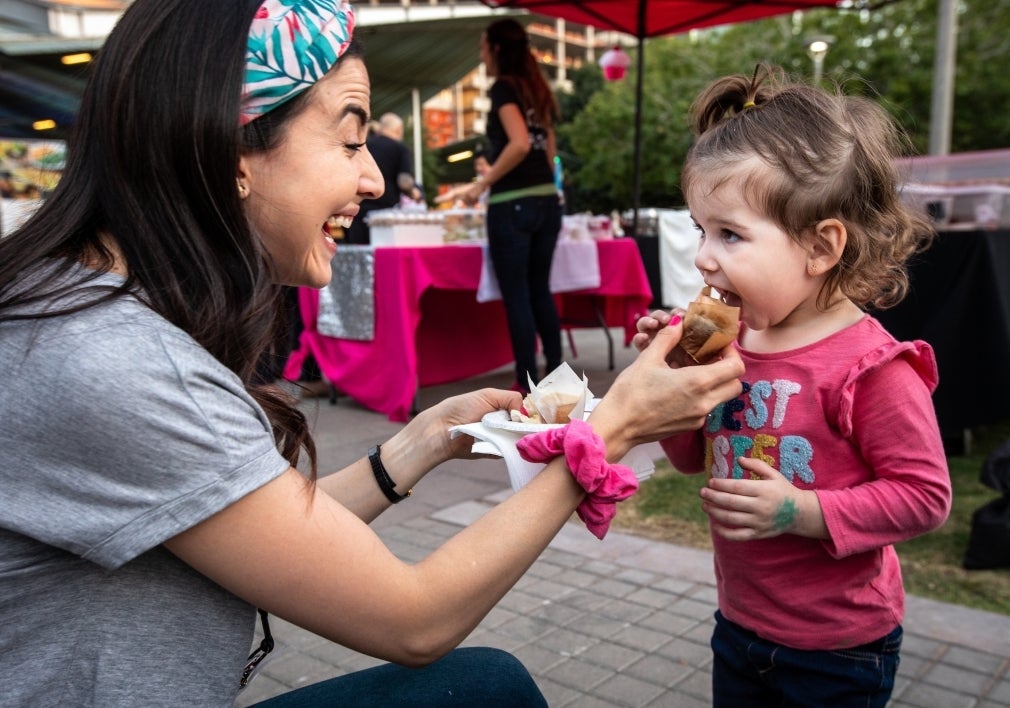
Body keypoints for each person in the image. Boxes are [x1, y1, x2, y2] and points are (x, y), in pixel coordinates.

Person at [0, 1, 746, 705]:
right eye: (350, 138)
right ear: (231, 149)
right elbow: (412, 621)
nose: (375, 178)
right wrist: (608, 430)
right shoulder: (113, 362)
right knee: (487, 688)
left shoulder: (83, 311)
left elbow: (255, 527)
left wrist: (421, 444)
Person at [633, 66, 953, 707]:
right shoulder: (730, 341)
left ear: (820, 246)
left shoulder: (873, 367)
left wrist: (800, 513)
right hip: (740, 625)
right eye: (700, 230)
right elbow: (693, 456)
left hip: (839, 648)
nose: (702, 257)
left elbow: (924, 497)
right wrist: (673, 391)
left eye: (730, 234)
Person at [449, 18, 564, 393]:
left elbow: (518, 143)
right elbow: (547, 147)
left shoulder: (503, 88)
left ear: (496, 48)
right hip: (546, 200)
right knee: (540, 290)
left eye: (483, 47)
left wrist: (481, 184)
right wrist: (544, 186)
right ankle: (557, 375)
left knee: (518, 296)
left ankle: (528, 382)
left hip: (512, 204)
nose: (481, 54)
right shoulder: (536, 88)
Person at [344, 112, 418, 244]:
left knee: (358, 256)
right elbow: (404, 182)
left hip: (356, 211)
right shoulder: (400, 149)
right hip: (384, 216)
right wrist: (413, 193)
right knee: (383, 257)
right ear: (399, 130)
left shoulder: (363, 146)